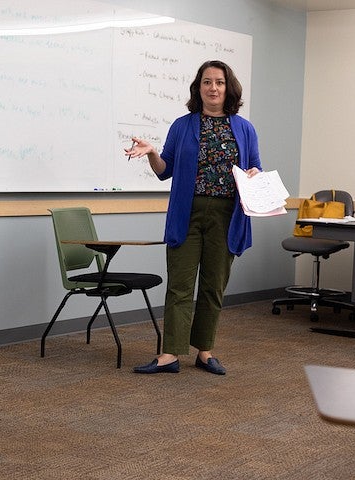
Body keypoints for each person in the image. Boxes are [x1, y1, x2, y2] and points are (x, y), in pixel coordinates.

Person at [125, 60, 261, 375]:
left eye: (219, 82)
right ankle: (170, 354)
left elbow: (255, 167)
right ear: (198, 88)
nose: (213, 88)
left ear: (229, 88)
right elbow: (165, 171)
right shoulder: (182, 125)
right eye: (207, 82)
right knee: (180, 286)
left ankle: (205, 352)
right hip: (188, 213)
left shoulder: (244, 128)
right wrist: (152, 154)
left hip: (227, 214)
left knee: (213, 286)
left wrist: (255, 174)